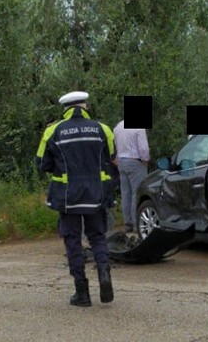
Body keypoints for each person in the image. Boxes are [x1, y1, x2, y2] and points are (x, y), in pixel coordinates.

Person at [36, 90, 115, 307]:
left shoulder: (53, 131)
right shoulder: (102, 129)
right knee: (97, 237)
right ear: (85, 107)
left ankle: (82, 291)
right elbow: (111, 157)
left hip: (67, 195)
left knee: (73, 241)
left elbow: (42, 164)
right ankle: (103, 271)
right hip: (96, 193)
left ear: (65, 109)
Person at [112, 120, 149, 234]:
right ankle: (136, 222)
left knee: (125, 193)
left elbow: (116, 146)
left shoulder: (118, 126)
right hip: (135, 162)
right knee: (137, 193)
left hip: (121, 162)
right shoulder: (139, 127)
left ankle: (128, 223)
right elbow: (143, 148)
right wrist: (145, 160)